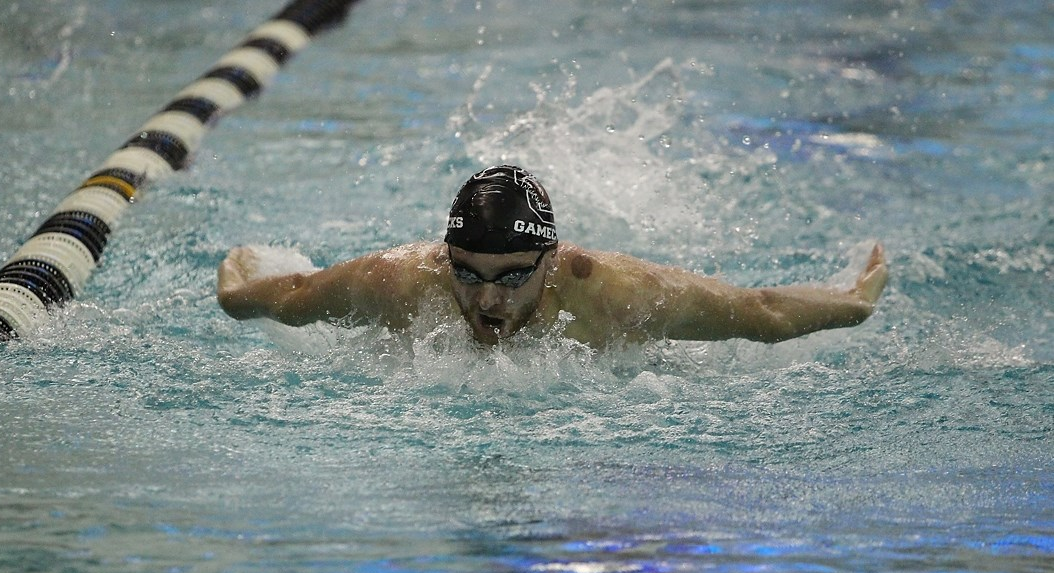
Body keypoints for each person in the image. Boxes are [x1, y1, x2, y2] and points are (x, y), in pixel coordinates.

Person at [217, 165, 887, 348]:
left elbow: (760, 313)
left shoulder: (610, 292)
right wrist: (233, 289)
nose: (488, 300)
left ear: (551, 259)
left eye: (513, 277)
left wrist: (853, 302)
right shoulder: (396, 282)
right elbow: (294, 297)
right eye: (467, 274)